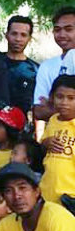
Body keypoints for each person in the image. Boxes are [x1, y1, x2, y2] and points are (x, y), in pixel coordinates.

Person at [34, 6, 75, 121]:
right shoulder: (46, 67)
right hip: (57, 132)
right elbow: (39, 111)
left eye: (68, 29)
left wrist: (54, 105)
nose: (62, 34)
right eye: (57, 30)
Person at [40, 75, 75, 207]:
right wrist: (46, 142)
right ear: (52, 97)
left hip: (71, 195)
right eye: (60, 97)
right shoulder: (53, 120)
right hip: (48, 190)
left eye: (71, 98)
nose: (64, 102)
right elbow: (43, 146)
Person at [3, 15, 39, 115]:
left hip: (23, 122)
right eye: (14, 34)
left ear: (29, 38)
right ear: (6, 35)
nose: (18, 39)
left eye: (23, 35)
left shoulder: (36, 70)